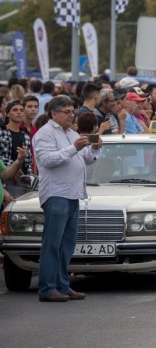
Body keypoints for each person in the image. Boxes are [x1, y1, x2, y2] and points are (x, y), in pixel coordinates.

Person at [33, 95, 102, 302]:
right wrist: (74, 148)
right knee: (52, 243)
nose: (72, 115)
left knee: (67, 244)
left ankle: (62, 285)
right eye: (67, 112)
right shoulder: (44, 134)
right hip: (56, 193)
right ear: (54, 113)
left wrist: (95, 148)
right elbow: (47, 160)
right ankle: (47, 288)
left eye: (73, 111)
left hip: (73, 194)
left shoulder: (71, 132)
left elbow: (86, 159)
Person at [0, 101, 33, 198]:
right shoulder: (2, 132)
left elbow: (29, 160)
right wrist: (15, 166)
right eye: (15, 110)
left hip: (23, 181)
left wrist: (30, 177)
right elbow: (1, 157)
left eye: (21, 110)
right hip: (6, 178)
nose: (19, 112)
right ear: (8, 114)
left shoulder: (25, 135)